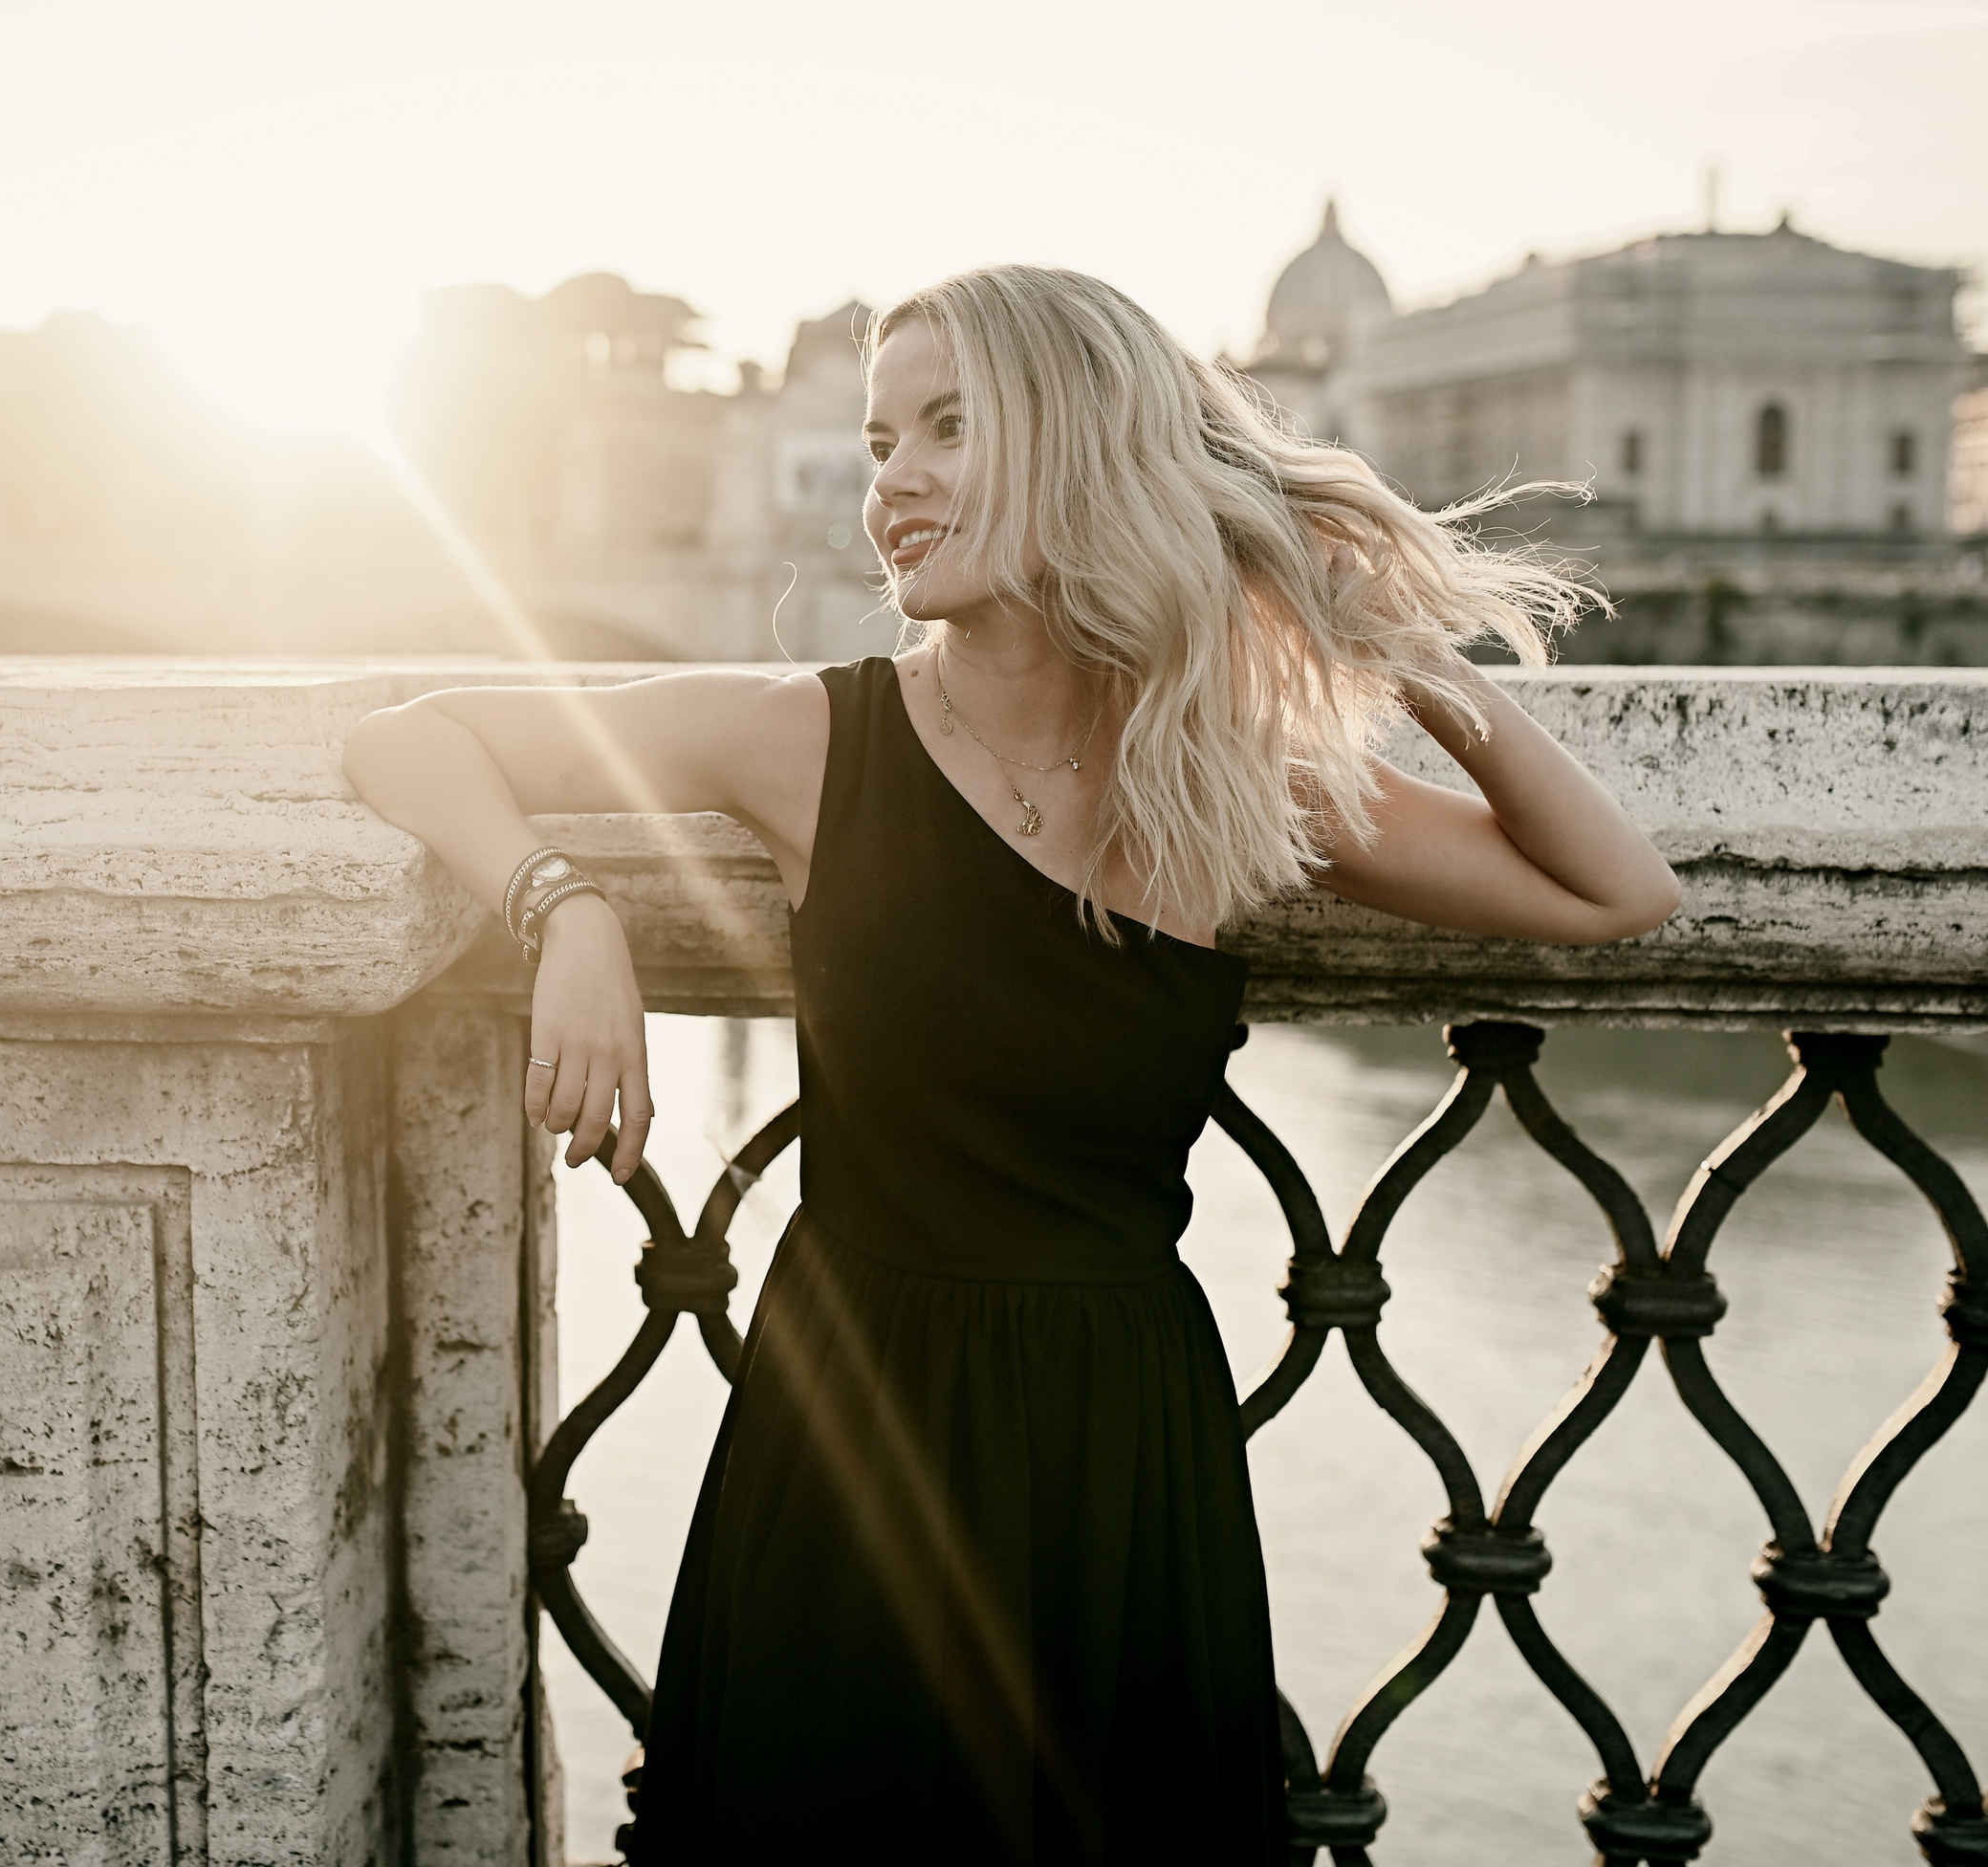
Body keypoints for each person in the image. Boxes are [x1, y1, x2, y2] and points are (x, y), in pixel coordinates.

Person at [342, 265, 1680, 1865]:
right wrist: (567, 914)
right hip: (852, 1439)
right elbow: (410, 737)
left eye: (949, 428)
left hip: (1120, 1453)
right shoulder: (812, 735)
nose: (890, 480)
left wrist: (1395, 656)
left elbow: (1616, 894)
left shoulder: (1229, 784)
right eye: (878, 437)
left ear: (1081, 446)